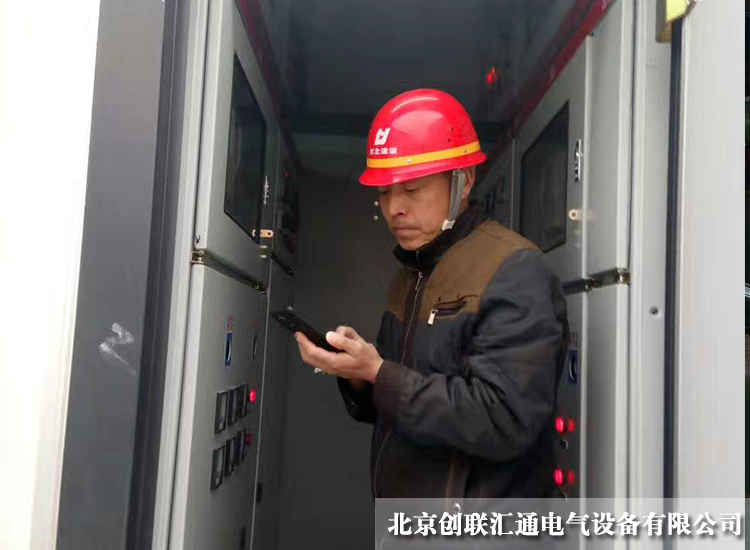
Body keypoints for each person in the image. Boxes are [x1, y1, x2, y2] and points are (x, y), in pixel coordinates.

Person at [294, 89, 568, 498]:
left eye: (412, 189)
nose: (394, 208)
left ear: (463, 181)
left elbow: (504, 420)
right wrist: (359, 375)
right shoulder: (412, 272)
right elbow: (398, 408)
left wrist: (378, 372)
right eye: (384, 192)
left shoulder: (514, 270)